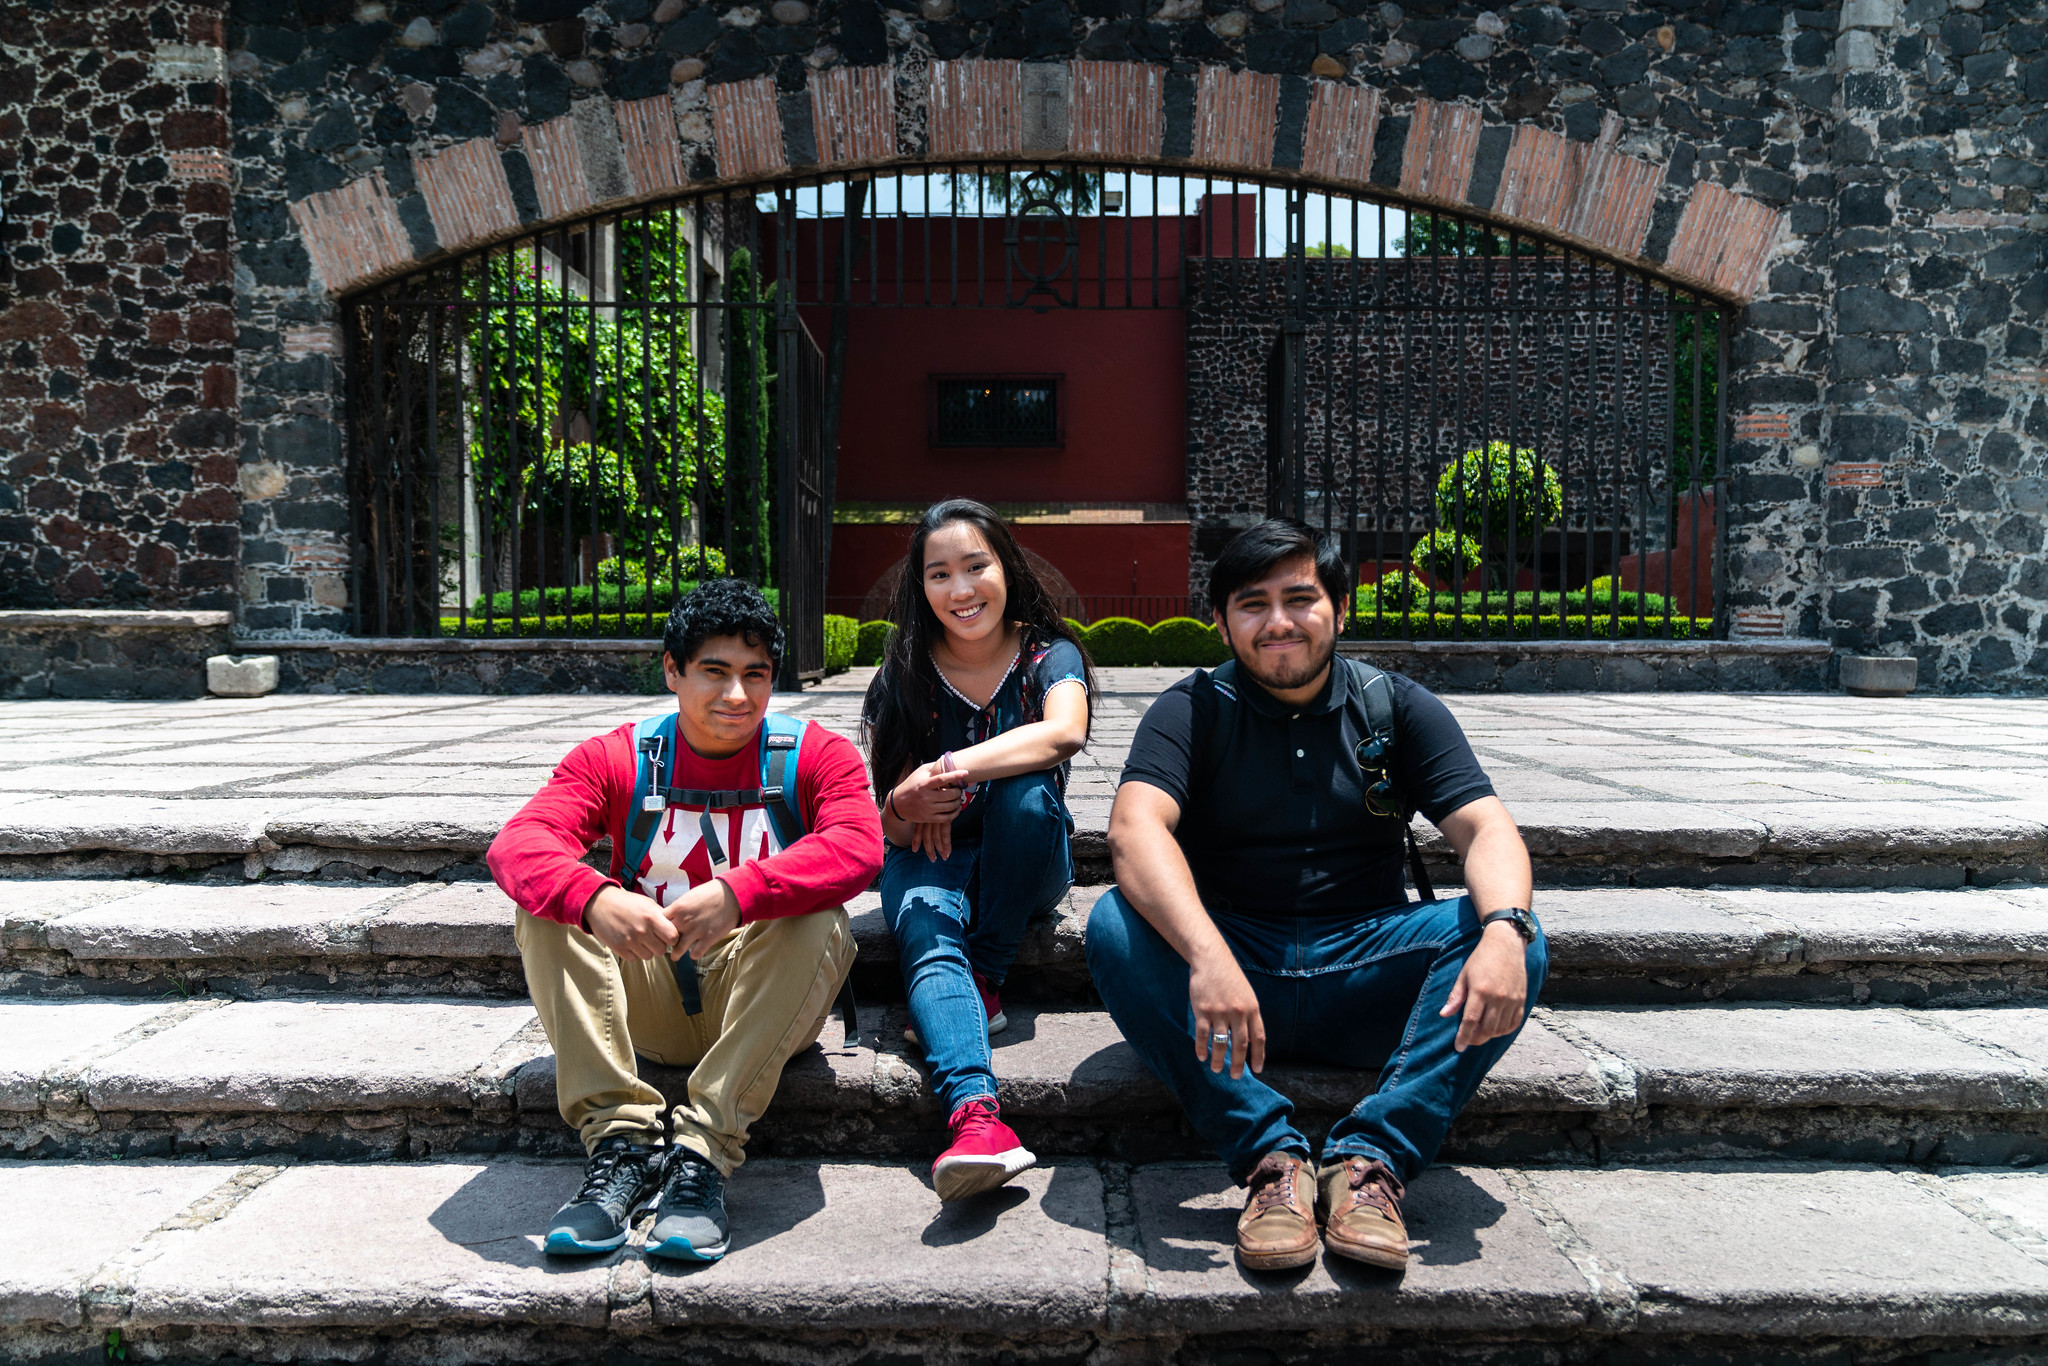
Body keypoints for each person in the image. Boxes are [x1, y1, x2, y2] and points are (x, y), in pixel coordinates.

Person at [1086, 518, 1546, 1272]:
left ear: (1340, 605)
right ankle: (1272, 1160)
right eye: (1251, 603)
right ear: (1222, 619)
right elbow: (1136, 832)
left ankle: (1370, 1163)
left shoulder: (1393, 705)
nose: (1278, 623)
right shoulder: (1191, 710)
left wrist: (1503, 931)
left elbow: (1485, 829)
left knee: (1515, 931)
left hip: (1366, 970)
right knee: (1112, 922)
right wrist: (1206, 953)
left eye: (1300, 599)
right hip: (1235, 976)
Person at [488, 578, 882, 1262]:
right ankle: (622, 1146)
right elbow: (518, 845)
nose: (737, 696)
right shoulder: (617, 757)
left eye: (755, 675)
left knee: (816, 914)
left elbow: (859, 846)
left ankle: (700, 1157)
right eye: (714, 672)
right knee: (548, 904)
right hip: (649, 995)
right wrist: (595, 897)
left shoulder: (816, 755)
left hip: (760, 999)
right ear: (672, 670)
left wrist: (742, 891)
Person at [862, 499, 1096, 1201]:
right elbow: (892, 831)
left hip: (1026, 858)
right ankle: (975, 1121)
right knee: (929, 932)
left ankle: (987, 970)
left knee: (1027, 797)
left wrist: (950, 769)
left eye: (975, 567)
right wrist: (903, 805)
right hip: (930, 860)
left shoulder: (1048, 654)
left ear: (1005, 567)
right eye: (940, 575)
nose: (961, 591)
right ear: (921, 588)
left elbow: (1063, 735)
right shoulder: (903, 673)